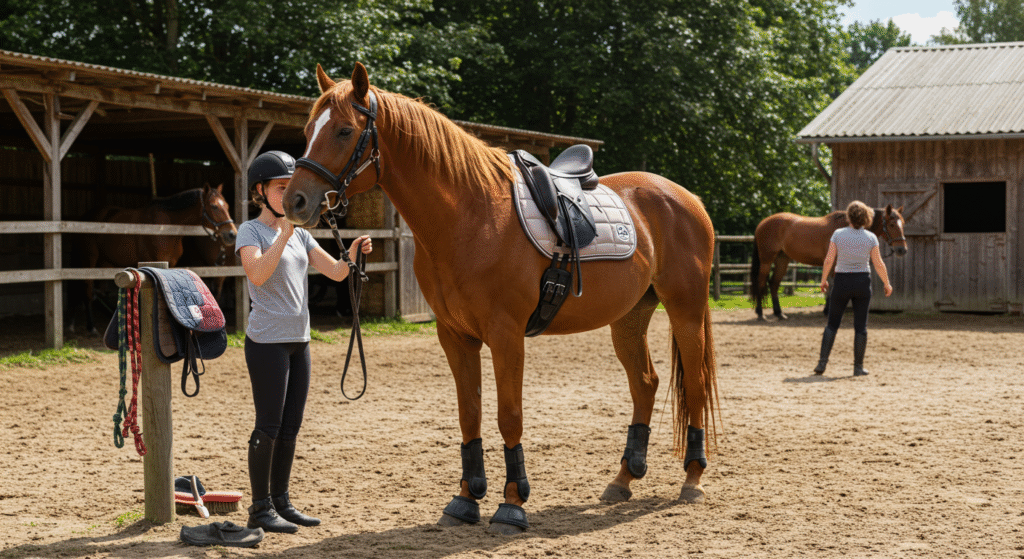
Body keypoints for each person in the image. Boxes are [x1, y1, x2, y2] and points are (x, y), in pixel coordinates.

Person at [236, 150, 372, 533]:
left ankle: (281, 501)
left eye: (290, 186)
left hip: (300, 340)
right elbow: (257, 274)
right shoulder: (251, 232)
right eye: (281, 187)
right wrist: (283, 236)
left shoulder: (303, 235)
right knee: (269, 425)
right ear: (260, 191)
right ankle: (259, 508)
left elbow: (336, 272)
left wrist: (353, 254)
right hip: (267, 342)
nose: (288, 193)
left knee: (290, 427)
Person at [814, 200, 893, 376]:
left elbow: (829, 259)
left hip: (841, 282)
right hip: (862, 282)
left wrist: (824, 280)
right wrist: (887, 283)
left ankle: (822, 364)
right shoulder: (871, 237)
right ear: (866, 217)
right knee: (861, 326)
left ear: (849, 217)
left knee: (832, 324)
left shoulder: (838, 234)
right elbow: (878, 263)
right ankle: (858, 367)